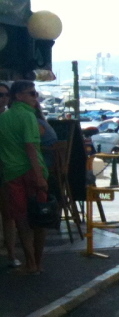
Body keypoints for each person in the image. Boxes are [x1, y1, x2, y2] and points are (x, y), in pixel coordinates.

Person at [0, 80, 49, 274]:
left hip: (11, 173)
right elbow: (31, 147)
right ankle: (37, 261)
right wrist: (40, 177)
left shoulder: (3, 118)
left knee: (20, 218)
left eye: (35, 93)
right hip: (30, 171)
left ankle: (29, 261)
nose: (35, 97)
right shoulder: (28, 116)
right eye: (31, 93)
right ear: (19, 96)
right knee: (40, 216)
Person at [0, 82, 20, 268]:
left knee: (9, 215)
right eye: (0, 95)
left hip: (7, 170)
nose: (3, 98)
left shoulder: (11, 118)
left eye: (6, 95)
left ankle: (11, 254)